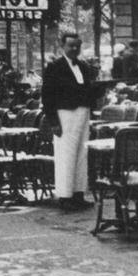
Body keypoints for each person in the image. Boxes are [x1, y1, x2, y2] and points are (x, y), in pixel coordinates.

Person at [41, 33, 101, 211]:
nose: (74, 49)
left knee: (82, 154)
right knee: (65, 155)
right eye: (71, 46)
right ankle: (65, 195)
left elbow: (87, 89)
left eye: (77, 46)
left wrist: (98, 89)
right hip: (65, 114)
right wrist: (53, 121)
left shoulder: (83, 66)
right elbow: (47, 95)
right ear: (63, 46)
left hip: (83, 113)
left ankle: (78, 193)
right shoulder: (55, 67)